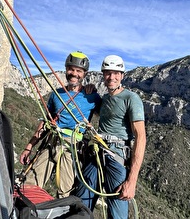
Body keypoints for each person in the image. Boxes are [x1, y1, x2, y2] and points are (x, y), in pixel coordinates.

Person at [19, 51, 101, 198]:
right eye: (71, 69)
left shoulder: (92, 97)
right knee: (31, 183)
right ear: (66, 70)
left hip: (73, 146)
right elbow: (45, 123)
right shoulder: (56, 94)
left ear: (85, 74)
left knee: (65, 191)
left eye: (78, 71)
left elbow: (106, 116)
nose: (74, 73)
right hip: (51, 141)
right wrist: (29, 146)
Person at [74, 55, 146, 218]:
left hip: (116, 156)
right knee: (81, 202)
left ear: (122, 75)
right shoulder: (105, 99)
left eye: (116, 73)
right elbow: (95, 108)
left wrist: (132, 180)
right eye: (108, 73)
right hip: (97, 152)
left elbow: (141, 137)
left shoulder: (131, 98)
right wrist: (89, 89)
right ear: (103, 75)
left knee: (117, 210)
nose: (111, 77)